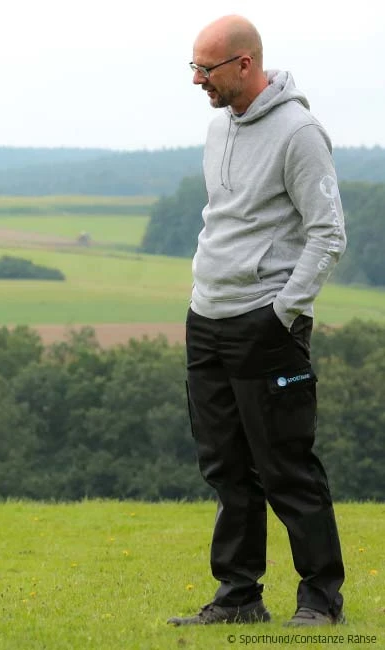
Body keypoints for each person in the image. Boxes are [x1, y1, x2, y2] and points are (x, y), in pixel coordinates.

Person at [167, 15, 346, 628]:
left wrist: (282, 312)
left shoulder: (300, 133)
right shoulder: (218, 126)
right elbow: (225, 217)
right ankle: (239, 598)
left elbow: (328, 234)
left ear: (245, 64)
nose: (197, 80)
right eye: (193, 66)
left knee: (285, 465)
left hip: (266, 324)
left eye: (206, 68)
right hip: (207, 318)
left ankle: (320, 600)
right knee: (224, 466)